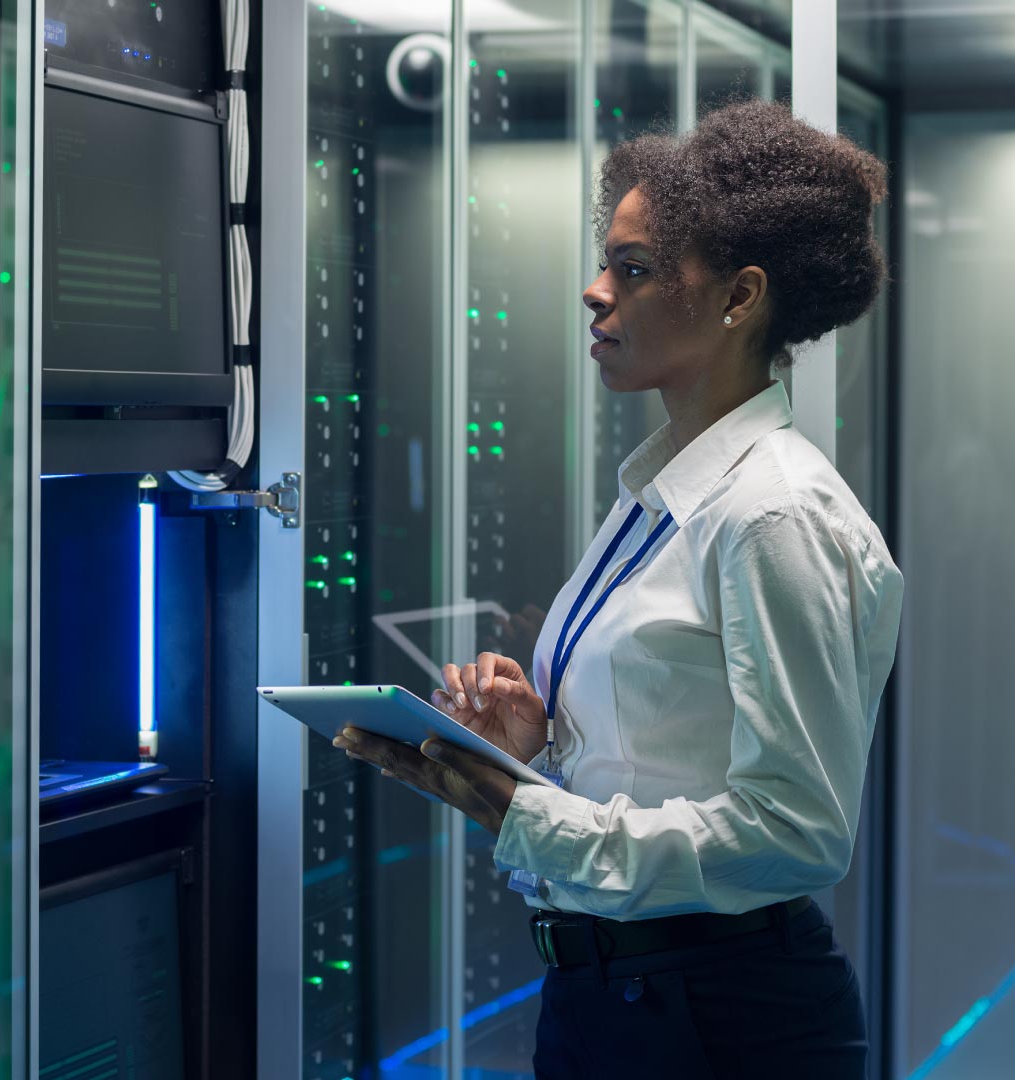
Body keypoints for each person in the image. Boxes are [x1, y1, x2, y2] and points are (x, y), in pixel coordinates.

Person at [333, 100, 903, 1078]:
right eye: (608, 264)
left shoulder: (772, 513)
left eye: (633, 270)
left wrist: (528, 816)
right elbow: (663, 761)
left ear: (740, 298)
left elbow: (795, 833)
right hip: (614, 995)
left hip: (721, 1015)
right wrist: (535, 749)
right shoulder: (666, 490)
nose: (596, 292)